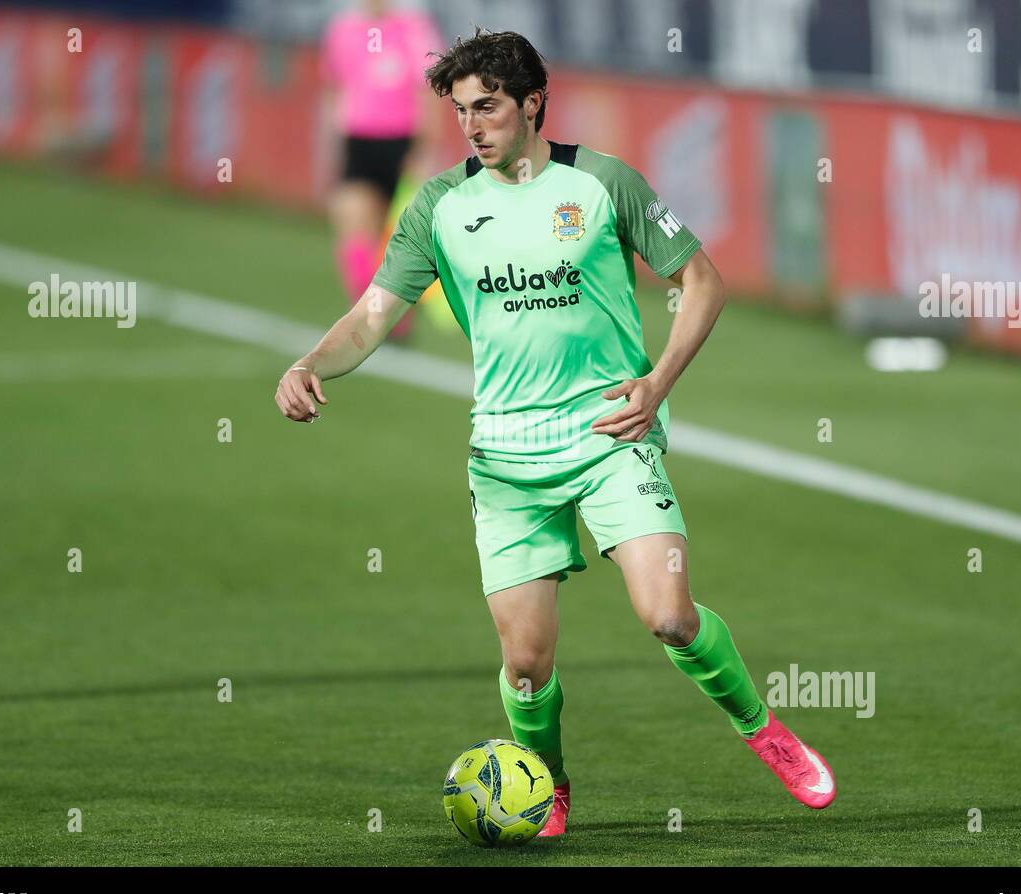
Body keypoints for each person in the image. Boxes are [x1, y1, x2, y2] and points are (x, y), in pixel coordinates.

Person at [276, 28, 836, 837]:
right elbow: (371, 315)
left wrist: (657, 382)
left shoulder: (604, 183)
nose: (472, 125)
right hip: (505, 459)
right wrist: (311, 365)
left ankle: (764, 731)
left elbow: (702, 281)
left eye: (489, 106)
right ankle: (549, 785)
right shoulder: (439, 206)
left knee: (668, 615)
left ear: (534, 101)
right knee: (527, 667)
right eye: (462, 110)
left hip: (612, 435)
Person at [319, 0, 443, 339]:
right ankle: (371, 313)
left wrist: (424, 151)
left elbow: (428, 92)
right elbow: (334, 90)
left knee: (396, 242)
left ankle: (396, 317)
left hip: (403, 145)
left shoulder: (414, 28)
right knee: (353, 223)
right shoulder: (341, 30)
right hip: (359, 144)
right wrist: (331, 152)